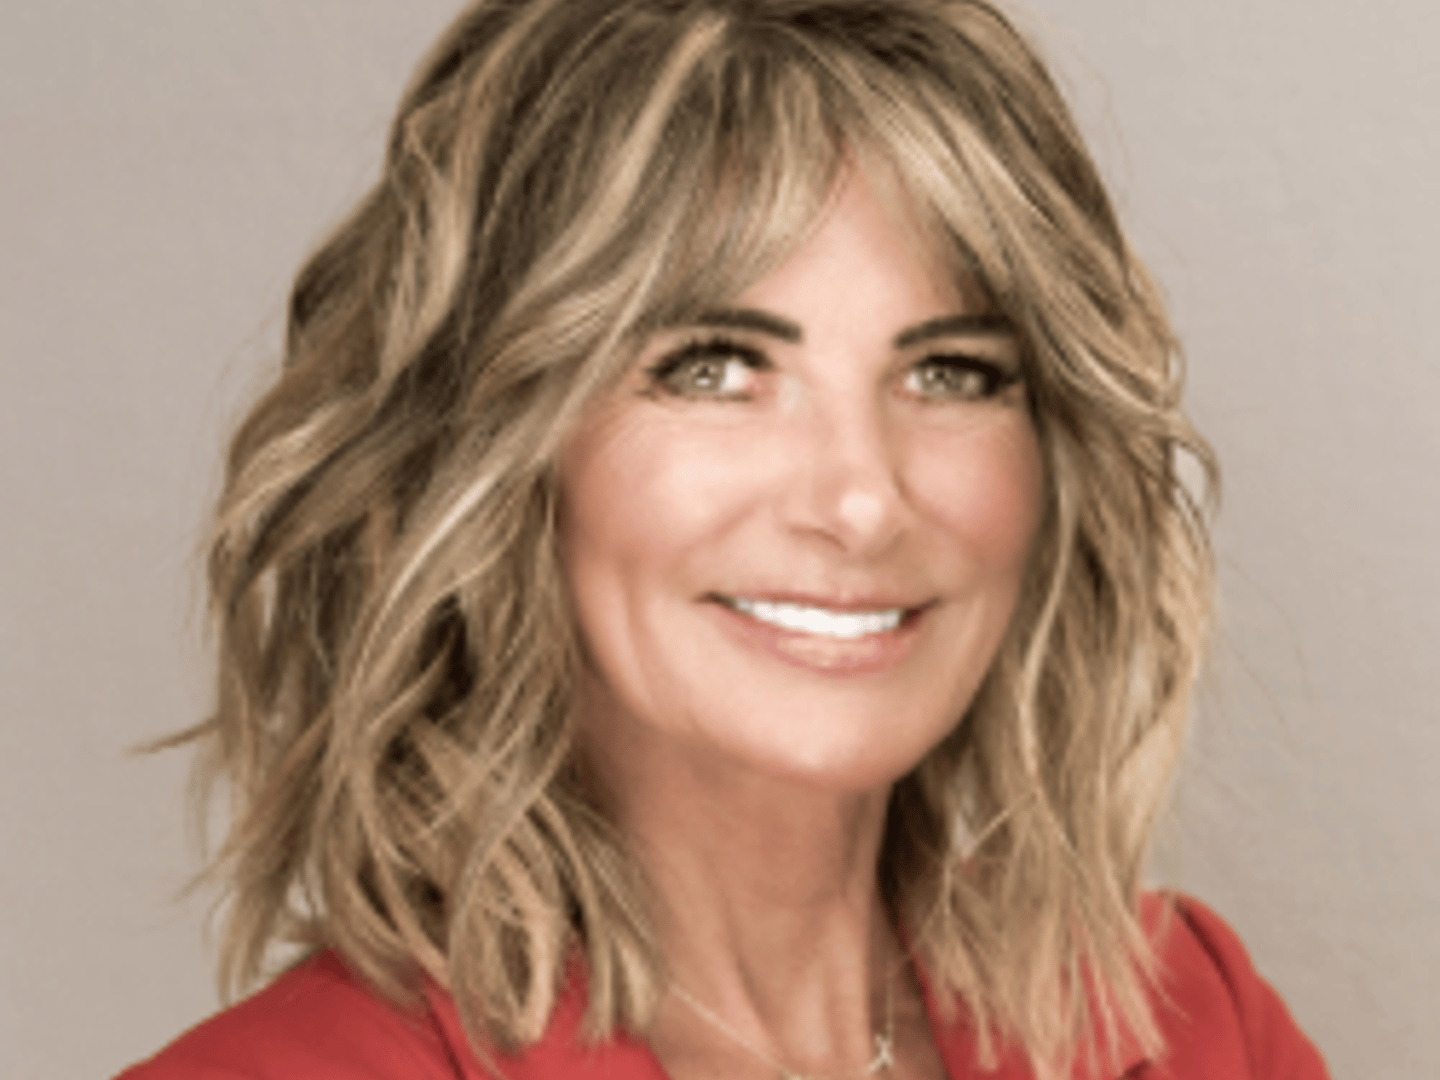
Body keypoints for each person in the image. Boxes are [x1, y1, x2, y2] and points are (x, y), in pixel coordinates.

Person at [117, 1, 1330, 1078]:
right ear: (494, 453)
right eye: (713, 368)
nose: (863, 501)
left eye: (952, 371)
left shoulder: (1192, 1021)